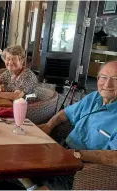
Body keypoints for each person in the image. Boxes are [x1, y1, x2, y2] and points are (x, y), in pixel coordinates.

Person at [18, 61, 117, 190]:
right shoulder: (94, 97)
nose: (107, 84)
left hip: (84, 167)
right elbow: (65, 113)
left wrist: (76, 154)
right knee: (16, 155)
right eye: (103, 77)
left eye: (115, 79)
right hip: (63, 148)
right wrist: (49, 126)